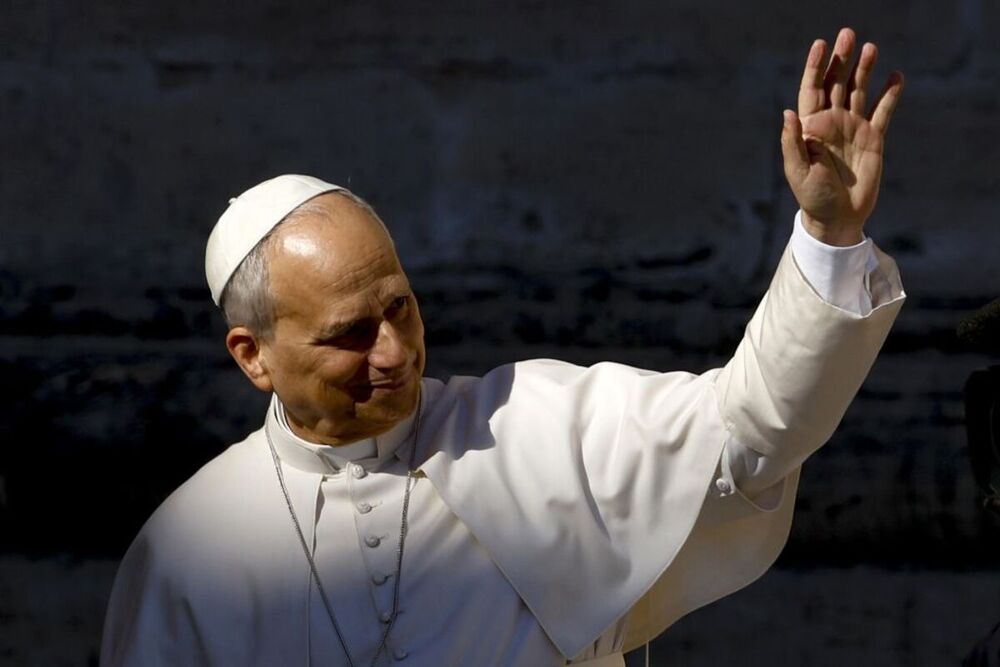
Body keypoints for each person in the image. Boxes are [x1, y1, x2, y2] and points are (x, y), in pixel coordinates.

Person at [101, 27, 905, 667]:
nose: (395, 352)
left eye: (400, 307)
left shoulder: (536, 424)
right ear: (253, 355)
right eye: (350, 334)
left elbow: (751, 431)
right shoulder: (189, 549)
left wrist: (828, 234)